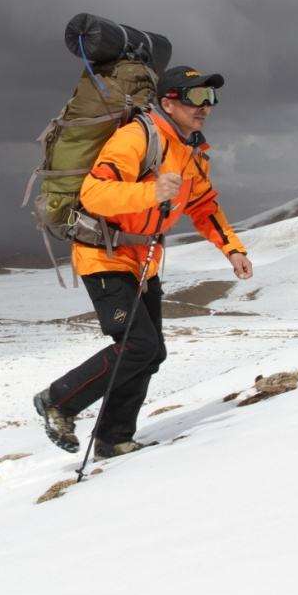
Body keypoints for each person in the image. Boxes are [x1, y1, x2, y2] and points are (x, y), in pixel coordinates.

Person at [33, 65, 254, 459]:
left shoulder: (192, 151)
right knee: (138, 344)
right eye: (197, 97)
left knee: (151, 351)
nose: (206, 107)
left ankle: (113, 438)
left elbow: (203, 205)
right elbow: (95, 194)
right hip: (105, 254)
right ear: (169, 101)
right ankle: (58, 401)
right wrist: (150, 193)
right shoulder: (137, 137)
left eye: (211, 98)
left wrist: (233, 249)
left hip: (143, 260)